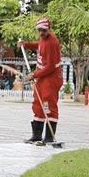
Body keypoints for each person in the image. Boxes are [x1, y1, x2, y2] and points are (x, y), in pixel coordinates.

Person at [19, 17, 63, 145]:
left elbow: (50, 66)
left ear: (48, 29)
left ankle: (49, 137)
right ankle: (37, 135)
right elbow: (39, 45)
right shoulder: (43, 39)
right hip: (42, 78)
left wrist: (35, 74)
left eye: (43, 30)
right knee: (38, 104)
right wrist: (26, 45)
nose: (41, 33)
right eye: (39, 30)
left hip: (51, 78)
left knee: (49, 105)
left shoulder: (52, 43)